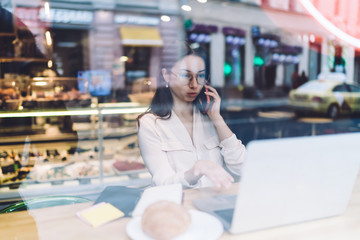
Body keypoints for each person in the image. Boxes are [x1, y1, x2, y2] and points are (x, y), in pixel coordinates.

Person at [137, 42, 246, 189]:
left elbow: (242, 167)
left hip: (216, 203)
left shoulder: (209, 117)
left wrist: (217, 118)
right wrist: (196, 170)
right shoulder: (151, 123)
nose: (194, 84)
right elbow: (163, 182)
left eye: (200, 76)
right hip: (180, 207)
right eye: (185, 76)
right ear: (166, 75)